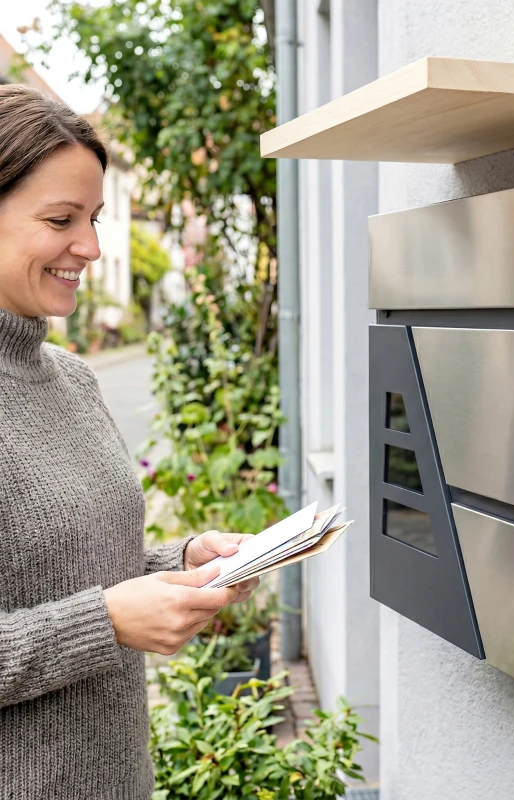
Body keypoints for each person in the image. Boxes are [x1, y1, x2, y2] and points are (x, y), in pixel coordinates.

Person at [0, 83, 259, 798]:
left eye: (95, 217)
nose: (89, 246)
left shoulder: (73, 379)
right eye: (61, 219)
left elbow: (57, 568)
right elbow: (94, 609)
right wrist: (106, 622)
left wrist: (181, 563)